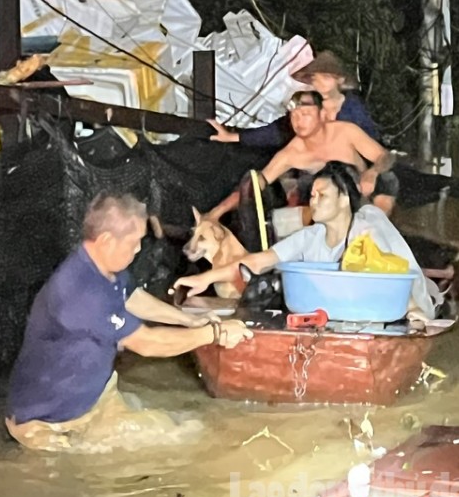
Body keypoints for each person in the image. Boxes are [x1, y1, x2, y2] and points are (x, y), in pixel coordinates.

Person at [6, 192, 253, 453]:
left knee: (177, 432)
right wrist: (213, 333)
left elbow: (132, 297)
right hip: (43, 420)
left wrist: (190, 320)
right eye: (135, 242)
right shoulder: (81, 291)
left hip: (95, 400)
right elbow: (147, 343)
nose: (138, 250)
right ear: (107, 241)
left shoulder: (102, 268)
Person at [177, 162, 439, 323]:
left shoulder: (366, 229)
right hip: (330, 316)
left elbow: (391, 277)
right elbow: (257, 261)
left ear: (344, 199)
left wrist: (414, 315)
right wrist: (206, 278)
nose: (313, 201)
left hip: (375, 313)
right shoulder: (309, 236)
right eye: (312, 195)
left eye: (322, 195)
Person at [206, 90, 400, 223]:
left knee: (387, 179)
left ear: (322, 114)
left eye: (305, 113)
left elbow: (385, 157)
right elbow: (254, 186)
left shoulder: (346, 132)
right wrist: (216, 213)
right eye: (294, 115)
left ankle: (378, 234)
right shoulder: (291, 153)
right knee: (281, 217)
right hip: (326, 214)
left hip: (362, 201)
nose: (299, 121)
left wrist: (373, 172)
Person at [208, 50, 381, 148]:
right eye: (315, 77)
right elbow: (279, 132)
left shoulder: (353, 108)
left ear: (340, 80)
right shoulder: (308, 103)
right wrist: (234, 137)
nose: (318, 82)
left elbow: (371, 143)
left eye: (326, 76)